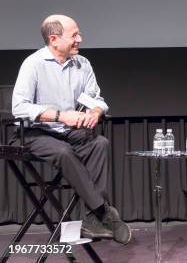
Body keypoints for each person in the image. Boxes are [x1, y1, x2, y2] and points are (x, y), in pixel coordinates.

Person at [12, 14, 131, 244]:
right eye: (74, 35)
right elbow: (19, 107)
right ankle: (103, 212)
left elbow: (97, 99)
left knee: (99, 144)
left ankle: (91, 220)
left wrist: (94, 113)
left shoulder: (82, 64)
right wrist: (60, 115)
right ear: (54, 39)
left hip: (67, 132)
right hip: (34, 132)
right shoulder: (33, 64)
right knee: (64, 152)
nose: (80, 39)